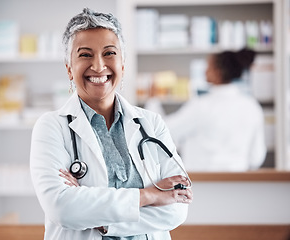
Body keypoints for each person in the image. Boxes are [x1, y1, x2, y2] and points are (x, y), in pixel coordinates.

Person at [30, 8, 193, 240]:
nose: (98, 66)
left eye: (109, 53)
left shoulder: (151, 124)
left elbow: (177, 205)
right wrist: (148, 196)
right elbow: (62, 208)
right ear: (69, 68)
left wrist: (102, 222)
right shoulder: (51, 127)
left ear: (123, 65)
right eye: (85, 55)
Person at [148, 48, 266, 172]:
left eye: (208, 66)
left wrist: (153, 100)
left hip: (203, 182)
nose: (205, 71)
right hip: (239, 181)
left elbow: (163, 132)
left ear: (218, 72)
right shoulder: (252, 106)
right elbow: (256, 158)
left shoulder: (201, 106)